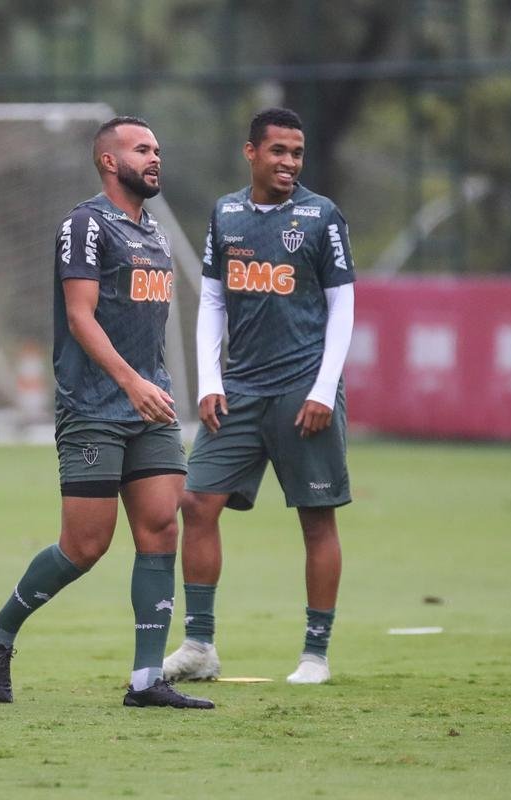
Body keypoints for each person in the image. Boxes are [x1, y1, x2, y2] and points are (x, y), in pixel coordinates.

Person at [0, 117, 213, 710]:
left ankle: (146, 680)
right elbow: (81, 317)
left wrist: (149, 387)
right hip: (95, 407)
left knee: (161, 528)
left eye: (157, 148)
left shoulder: (154, 233)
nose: (154, 157)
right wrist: (130, 383)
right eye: (141, 149)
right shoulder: (84, 224)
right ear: (109, 161)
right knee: (85, 545)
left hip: (149, 404)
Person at [162, 108, 356, 685]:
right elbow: (214, 301)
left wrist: (324, 387)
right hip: (239, 391)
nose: (289, 163)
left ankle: (315, 654)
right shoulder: (226, 214)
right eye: (278, 152)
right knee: (196, 503)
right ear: (252, 153)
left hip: (304, 390)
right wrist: (211, 380)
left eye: (297, 153)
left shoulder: (322, 217)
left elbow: (343, 305)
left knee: (316, 520)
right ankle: (199, 646)